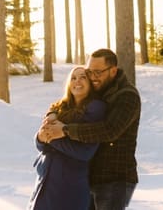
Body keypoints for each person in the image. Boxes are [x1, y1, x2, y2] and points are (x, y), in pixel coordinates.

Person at [42, 49, 141, 210]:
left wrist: (66, 130)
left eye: (97, 72)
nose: (92, 77)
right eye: (89, 72)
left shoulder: (127, 96)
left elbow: (110, 130)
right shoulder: (101, 89)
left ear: (113, 71)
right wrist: (52, 113)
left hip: (115, 178)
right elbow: (70, 100)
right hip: (92, 175)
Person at [28, 66, 107, 210]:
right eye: (73, 78)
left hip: (70, 186)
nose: (78, 81)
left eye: (83, 77)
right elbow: (41, 145)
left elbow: (85, 152)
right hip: (45, 182)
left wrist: (52, 138)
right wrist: (40, 137)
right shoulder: (58, 108)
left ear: (90, 83)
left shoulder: (96, 108)